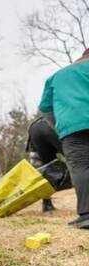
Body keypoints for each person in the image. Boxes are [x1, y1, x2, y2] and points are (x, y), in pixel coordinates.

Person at [39, 48, 89, 229]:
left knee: (81, 168)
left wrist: (60, 126)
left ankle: (86, 216)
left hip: (72, 128)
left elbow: (45, 109)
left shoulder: (57, 76)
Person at [27, 114, 61, 213]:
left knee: (45, 168)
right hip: (52, 126)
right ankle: (85, 205)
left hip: (34, 128)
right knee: (79, 162)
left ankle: (47, 204)